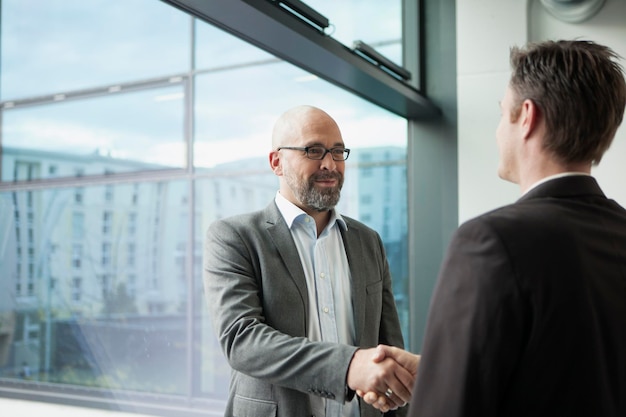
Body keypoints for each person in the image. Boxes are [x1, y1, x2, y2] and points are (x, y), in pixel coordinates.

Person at [390, 39, 626, 417]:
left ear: (527, 117)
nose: (499, 130)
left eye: (503, 114)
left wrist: (445, 382)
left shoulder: (491, 240)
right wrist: (441, 369)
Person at [203, 105, 414, 417]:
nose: (330, 164)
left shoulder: (368, 240)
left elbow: (388, 347)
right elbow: (242, 340)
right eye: (313, 150)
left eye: (338, 151)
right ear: (277, 162)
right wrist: (347, 366)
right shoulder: (234, 237)